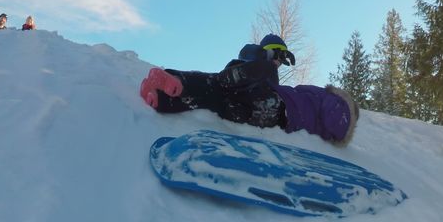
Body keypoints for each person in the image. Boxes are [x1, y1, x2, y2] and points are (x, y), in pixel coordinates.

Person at [139, 34, 358, 146]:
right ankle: (162, 98)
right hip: (273, 111)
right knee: (218, 101)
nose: (280, 63)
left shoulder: (331, 104)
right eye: (278, 56)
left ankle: (173, 84)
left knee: (215, 89)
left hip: (272, 108)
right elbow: (336, 121)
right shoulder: (337, 103)